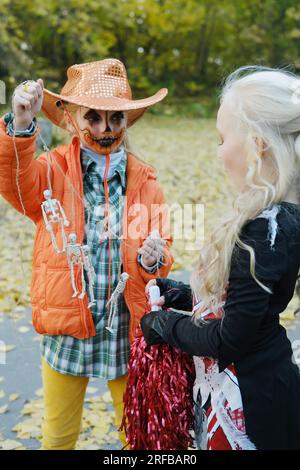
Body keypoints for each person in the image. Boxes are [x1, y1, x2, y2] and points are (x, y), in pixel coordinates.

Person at [0, 58, 174, 450]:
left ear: (128, 121)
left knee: (138, 435)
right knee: (59, 434)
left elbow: (163, 257)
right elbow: (14, 184)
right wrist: (23, 124)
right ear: (73, 118)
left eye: (115, 119)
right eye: (93, 118)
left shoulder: (145, 182)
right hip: (68, 324)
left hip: (127, 331)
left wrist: (152, 259)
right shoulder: (52, 170)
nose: (104, 129)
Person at [141, 66, 300, 450]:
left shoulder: (266, 230)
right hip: (259, 383)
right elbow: (246, 304)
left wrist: (163, 325)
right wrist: (179, 294)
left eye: (222, 138)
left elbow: (231, 339)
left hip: (251, 399)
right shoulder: (278, 217)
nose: (218, 152)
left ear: (257, 144)